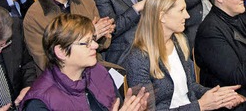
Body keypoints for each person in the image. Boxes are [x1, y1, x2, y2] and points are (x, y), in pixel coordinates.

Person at [123, 0, 246, 110]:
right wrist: (200, 106)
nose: (187, 15)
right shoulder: (138, 58)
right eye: (181, 10)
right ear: (162, 16)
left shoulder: (179, 42)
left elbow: (190, 87)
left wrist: (218, 96)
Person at [21, 14, 150, 110]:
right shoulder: (39, 101)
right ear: (61, 52)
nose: (95, 45)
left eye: (93, 39)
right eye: (86, 43)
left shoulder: (99, 72)